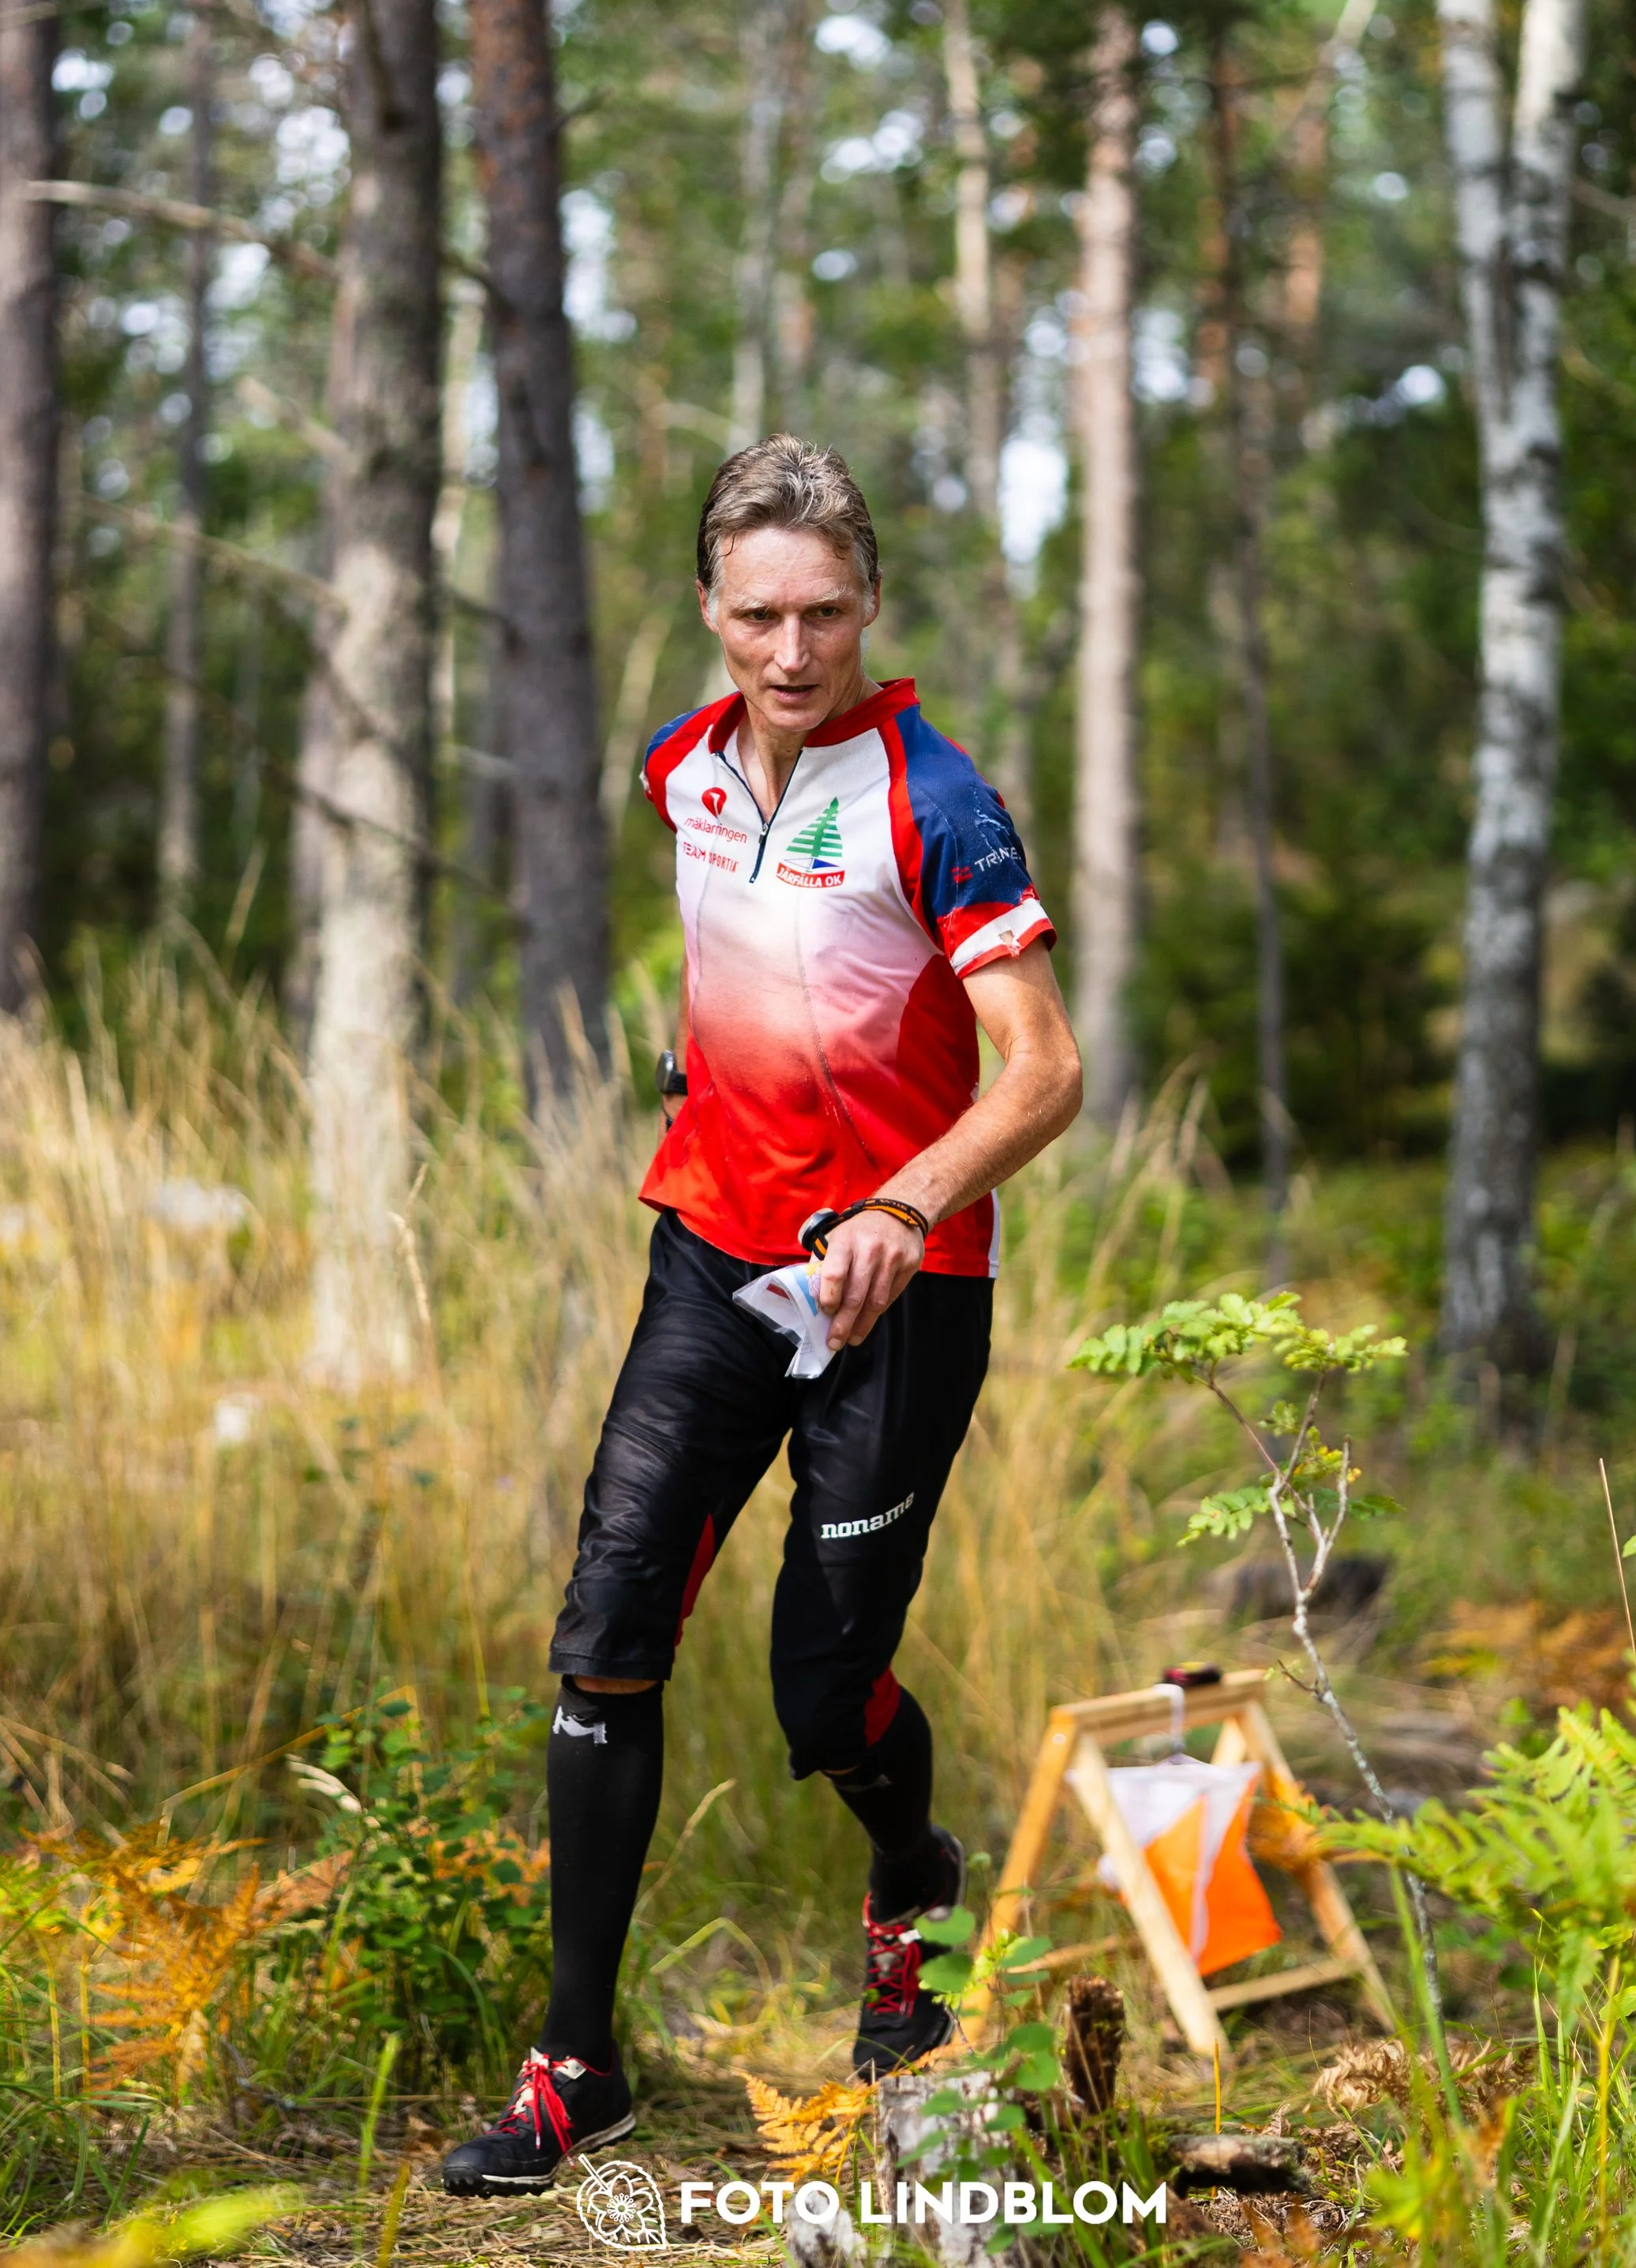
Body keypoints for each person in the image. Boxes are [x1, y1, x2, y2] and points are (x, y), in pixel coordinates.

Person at [441, 437, 1082, 2196]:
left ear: (867, 603)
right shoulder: (680, 770)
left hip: (901, 1288)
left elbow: (1044, 1071)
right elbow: (727, 937)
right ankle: (579, 2058)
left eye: (820, 612)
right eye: (754, 616)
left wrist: (899, 1198)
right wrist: (698, 1052)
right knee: (605, 1625)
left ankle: (910, 1881)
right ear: (707, 611)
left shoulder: (933, 801)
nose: (789, 650)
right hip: (712, 1255)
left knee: (822, 1687)